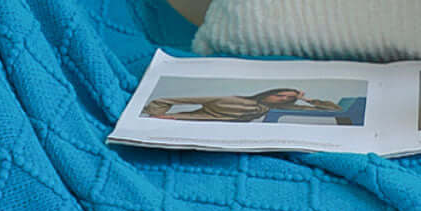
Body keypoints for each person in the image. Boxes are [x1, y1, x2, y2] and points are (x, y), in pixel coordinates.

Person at [142, 87, 344, 122]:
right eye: (279, 95)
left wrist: (307, 100)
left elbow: (335, 110)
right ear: (270, 93)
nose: (282, 100)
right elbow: (181, 102)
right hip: (217, 113)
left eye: (288, 98)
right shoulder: (233, 100)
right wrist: (169, 115)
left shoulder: (280, 109)